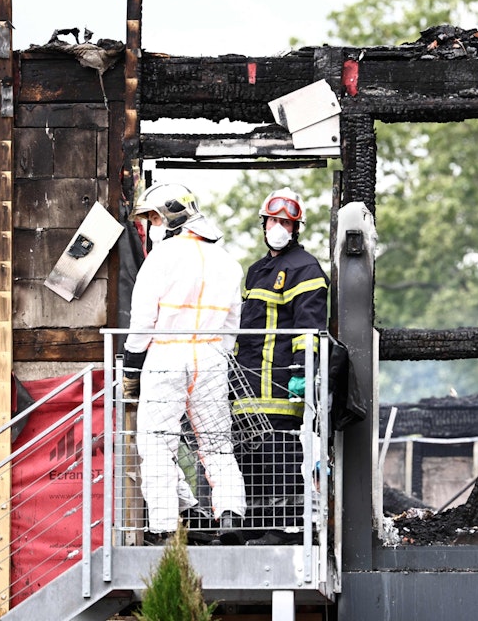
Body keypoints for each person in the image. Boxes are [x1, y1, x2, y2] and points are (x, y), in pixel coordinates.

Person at [122, 182, 246, 544]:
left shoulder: (162, 257)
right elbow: (231, 326)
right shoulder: (228, 261)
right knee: (217, 444)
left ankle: (162, 527)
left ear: (171, 216)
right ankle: (230, 516)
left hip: (167, 354)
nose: (153, 226)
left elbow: (143, 319)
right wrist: (216, 357)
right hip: (210, 357)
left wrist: (132, 366)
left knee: (157, 443)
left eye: (154, 218)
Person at [231, 187, 329, 546]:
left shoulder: (306, 268)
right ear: (264, 223)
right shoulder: (257, 271)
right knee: (250, 458)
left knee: (281, 458)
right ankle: (255, 527)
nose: (278, 226)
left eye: (286, 221)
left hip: (282, 386)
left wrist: (303, 372)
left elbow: (309, 328)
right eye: (273, 219)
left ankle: (285, 529)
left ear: (296, 227)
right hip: (248, 386)